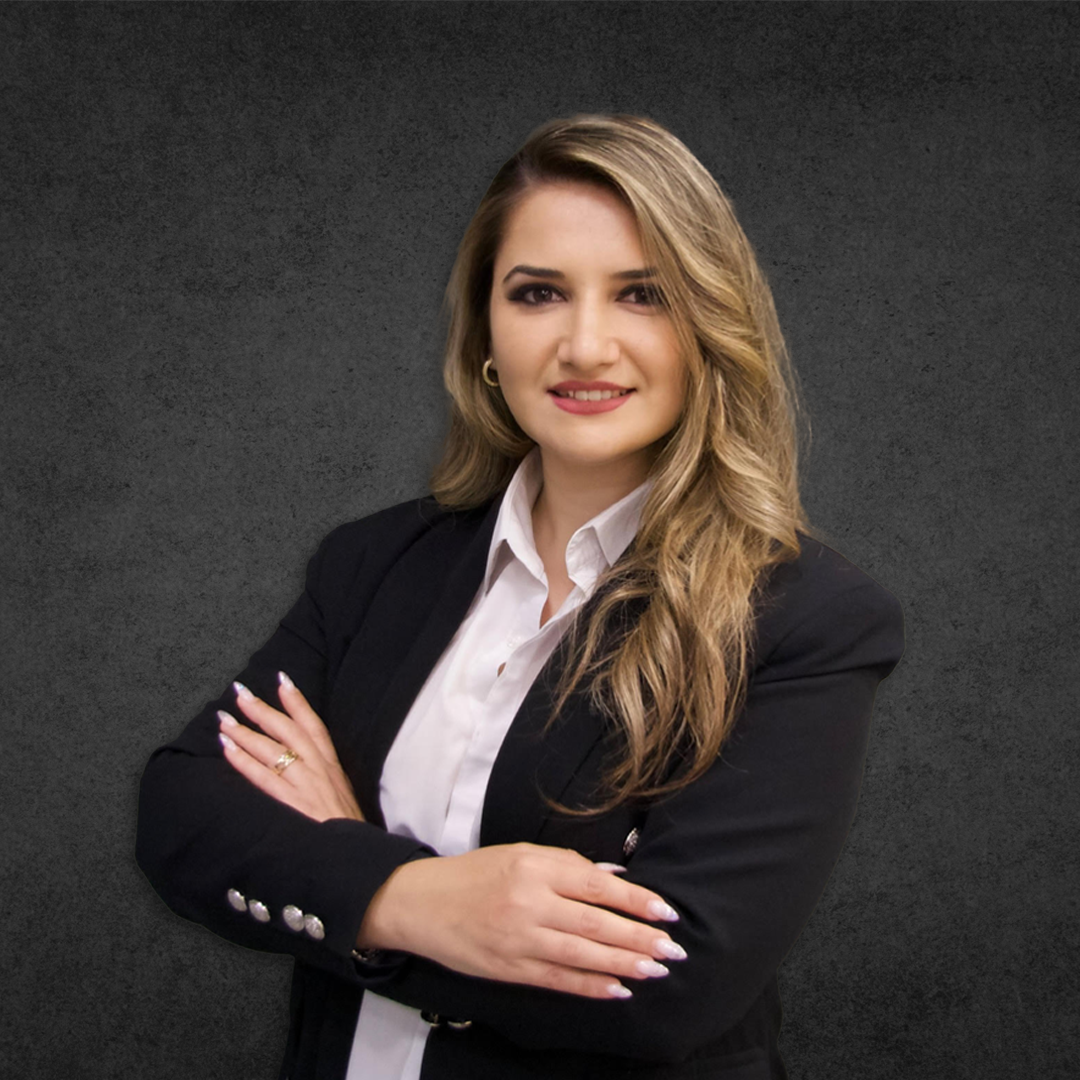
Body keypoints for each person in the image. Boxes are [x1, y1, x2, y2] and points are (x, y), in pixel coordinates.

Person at [136, 113, 905, 1080]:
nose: (585, 345)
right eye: (539, 293)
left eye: (642, 295)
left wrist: (340, 866)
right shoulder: (374, 562)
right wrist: (416, 899)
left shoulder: (803, 617)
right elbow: (184, 814)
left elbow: (664, 993)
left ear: (709, 327)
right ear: (487, 334)